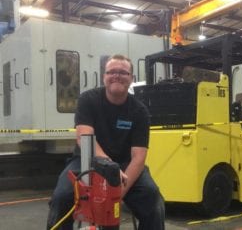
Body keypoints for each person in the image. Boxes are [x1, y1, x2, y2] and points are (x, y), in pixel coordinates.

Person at [47, 54, 165, 230]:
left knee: (154, 201)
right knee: (61, 197)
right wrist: (109, 168)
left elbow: (138, 158)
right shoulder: (88, 100)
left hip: (125, 166)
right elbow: (84, 137)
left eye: (123, 73)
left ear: (131, 79)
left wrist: (114, 196)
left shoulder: (140, 111)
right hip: (86, 161)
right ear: (104, 77)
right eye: (112, 72)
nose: (117, 75)